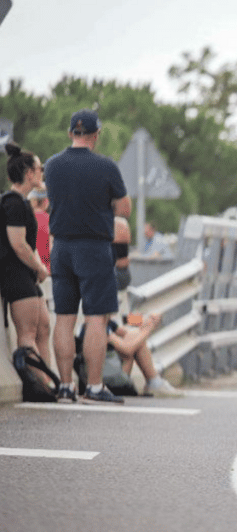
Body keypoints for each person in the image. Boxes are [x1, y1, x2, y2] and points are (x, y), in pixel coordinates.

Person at [44, 109, 131, 404]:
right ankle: (94, 386)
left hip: (62, 249)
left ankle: (66, 385)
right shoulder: (106, 167)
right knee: (96, 317)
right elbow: (125, 209)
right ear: (96, 135)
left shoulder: (52, 165)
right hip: (93, 248)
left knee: (64, 317)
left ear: (71, 133)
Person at [3, 143, 54, 386]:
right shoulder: (13, 203)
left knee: (43, 327)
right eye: (40, 168)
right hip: (16, 275)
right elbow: (18, 244)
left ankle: (51, 380)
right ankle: (39, 384)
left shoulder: (22, 202)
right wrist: (39, 267)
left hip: (27, 275)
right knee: (28, 334)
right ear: (29, 173)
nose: (42, 172)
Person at [74, 313, 182, 397]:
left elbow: (125, 329)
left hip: (108, 374)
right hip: (106, 379)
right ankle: (154, 382)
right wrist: (148, 330)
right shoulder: (98, 327)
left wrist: (146, 321)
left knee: (134, 337)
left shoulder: (106, 322)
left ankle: (154, 381)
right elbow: (127, 349)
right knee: (133, 343)